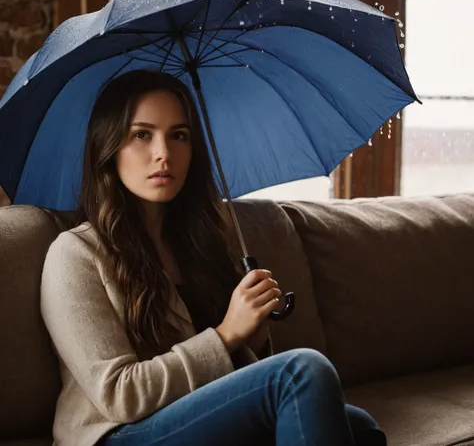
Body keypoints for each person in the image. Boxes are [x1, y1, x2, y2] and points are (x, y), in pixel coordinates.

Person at [40, 70, 386, 446]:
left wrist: (250, 336)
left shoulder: (198, 245)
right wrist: (225, 335)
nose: (163, 153)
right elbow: (120, 395)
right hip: (120, 435)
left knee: (359, 426)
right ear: (108, 148)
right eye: (142, 134)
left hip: (190, 423)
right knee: (302, 372)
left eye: (179, 135)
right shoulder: (74, 254)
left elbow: (220, 377)